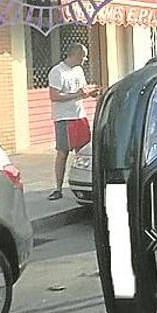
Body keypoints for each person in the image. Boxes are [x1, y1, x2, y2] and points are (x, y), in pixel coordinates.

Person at [47, 43, 99, 200]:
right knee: (63, 153)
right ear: (75, 55)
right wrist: (76, 95)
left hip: (79, 115)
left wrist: (91, 93)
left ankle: (86, 183)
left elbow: (81, 92)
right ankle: (58, 188)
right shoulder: (57, 72)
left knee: (84, 151)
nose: (85, 59)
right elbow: (54, 96)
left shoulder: (79, 70)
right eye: (83, 56)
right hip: (64, 118)